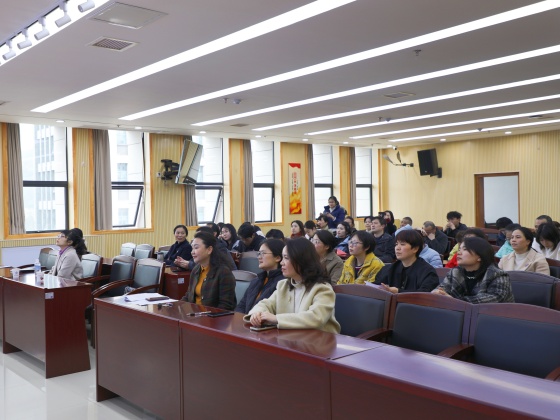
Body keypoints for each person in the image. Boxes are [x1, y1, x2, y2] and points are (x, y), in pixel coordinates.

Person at [245, 237, 340, 334]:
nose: (281, 263)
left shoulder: (322, 288)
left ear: (301, 260)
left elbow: (316, 318)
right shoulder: (283, 285)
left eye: (286, 258)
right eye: (282, 258)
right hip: (291, 338)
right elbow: (265, 304)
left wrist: (276, 318)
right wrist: (257, 313)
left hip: (319, 340)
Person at [433, 237, 514, 303]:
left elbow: (495, 298)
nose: (459, 253)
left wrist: (455, 301)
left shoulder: (498, 275)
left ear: (480, 256)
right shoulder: (455, 272)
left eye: (465, 249)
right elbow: (443, 288)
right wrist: (437, 292)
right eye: (459, 249)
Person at [182, 231, 236, 310]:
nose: (192, 252)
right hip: (195, 315)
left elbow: (226, 306)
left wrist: (206, 316)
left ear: (209, 249)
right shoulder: (196, 270)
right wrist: (178, 307)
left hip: (213, 316)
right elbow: (188, 295)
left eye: (196, 248)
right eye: (192, 248)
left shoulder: (223, 272)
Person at [235, 239, 285, 314]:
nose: (259, 257)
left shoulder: (283, 283)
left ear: (277, 258)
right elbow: (242, 305)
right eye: (258, 253)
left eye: (263, 253)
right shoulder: (256, 280)